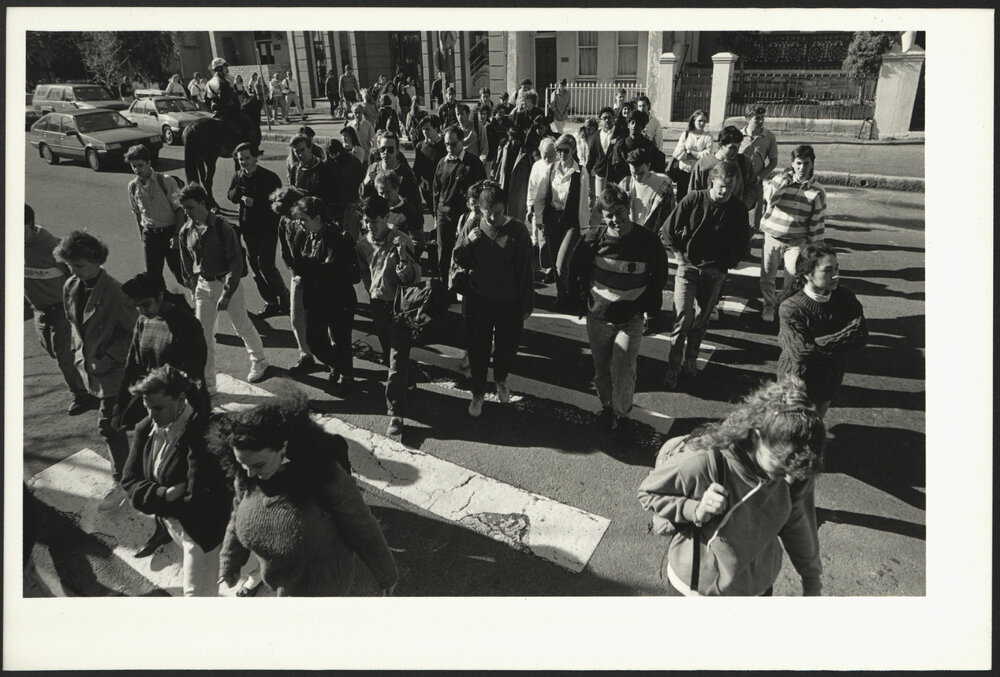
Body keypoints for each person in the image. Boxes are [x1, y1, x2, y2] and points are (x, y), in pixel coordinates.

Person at [637, 377, 826, 596]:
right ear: (757, 436)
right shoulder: (704, 459)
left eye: (797, 469)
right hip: (697, 589)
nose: (790, 476)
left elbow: (796, 523)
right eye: (779, 460)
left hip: (756, 589)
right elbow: (648, 493)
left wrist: (812, 578)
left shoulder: (793, 469)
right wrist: (695, 509)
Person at [214, 394, 399, 596]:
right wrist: (229, 561)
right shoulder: (247, 475)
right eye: (243, 465)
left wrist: (386, 574)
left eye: (258, 465)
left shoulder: (325, 476)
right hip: (279, 584)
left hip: (324, 588)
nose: (250, 474)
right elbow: (236, 513)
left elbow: (361, 524)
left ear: (282, 447)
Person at [566, 184, 668, 444]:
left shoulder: (648, 241)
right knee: (601, 369)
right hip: (598, 316)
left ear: (629, 209)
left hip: (630, 319)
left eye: (620, 213)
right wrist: (581, 302)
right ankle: (607, 408)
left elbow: (659, 277)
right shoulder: (593, 239)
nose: (616, 220)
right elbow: (575, 270)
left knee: (623, 369)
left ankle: (623, 417)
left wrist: (648, 308)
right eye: (609, 215)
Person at [121, 366, 233, 594]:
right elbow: (128, 480)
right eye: (147, 407)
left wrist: (148, 496)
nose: (151, 415)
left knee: (196, 596)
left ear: (181, 399)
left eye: (158, 408)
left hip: (200, 534)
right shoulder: (146, 428)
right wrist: (164, 494)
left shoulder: (203, 435)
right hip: (174, 523)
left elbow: (197, 503)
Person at [55, 231, 138, 511]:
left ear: (96, 261)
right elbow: (74, 324)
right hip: (90, 370)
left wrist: (107, 356)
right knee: (124, 425)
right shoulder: (71, 285)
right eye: (70, 265)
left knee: (109, 427)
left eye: (78, 265)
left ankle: (124, 482)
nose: (73, 271)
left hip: (114, 372)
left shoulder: (116, 292)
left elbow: (133, 334)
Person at [660, 162, 751, 390]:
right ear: (712, 180)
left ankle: (691, 359)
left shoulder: (738, 209)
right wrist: (679, 256)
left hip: (715, 272)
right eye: (722, 186)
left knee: (701, 319)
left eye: (730, 187)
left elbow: (742, 242)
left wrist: (726, 266)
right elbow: (668, 229)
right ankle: (673, 366)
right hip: (688, 268)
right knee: (682, 318)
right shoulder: (693, 199)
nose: (725, 192)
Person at [452, 182, 536, 418]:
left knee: (506, 348)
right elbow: (459, 257)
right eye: (489, 215)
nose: (494, 219)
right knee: (477, 349)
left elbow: (525, 271)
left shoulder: (518, 230)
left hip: (509, 303)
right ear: (480, 210)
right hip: (478, 299)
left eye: (499, 213)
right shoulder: (472, 224)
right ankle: (477, 392)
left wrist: (526, 304)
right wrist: (469, 241)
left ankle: (500, 377)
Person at [176, 183, 270, 391]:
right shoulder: (186, 230)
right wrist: (193, 286)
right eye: (184, 208)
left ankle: (260, 360)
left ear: (202, 203)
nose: (186, 212)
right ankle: (209, 382)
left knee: (241, 325)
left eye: (190, 207)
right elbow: (186, 264)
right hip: (203, 286)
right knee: (204, 335)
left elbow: (235, 263)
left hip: (226, 285)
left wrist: (227, 294)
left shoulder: (222, 228)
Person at [356, 196, 421, 437]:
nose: (370, 226)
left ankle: (396, 414)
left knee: (395, 360)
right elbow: (364, 270)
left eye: (374, 221)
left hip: (399, 307)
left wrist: (404, 262)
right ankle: (410, 382)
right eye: (366, 221)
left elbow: (413, 278)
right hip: (378, 306)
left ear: (386, 217)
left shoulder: (401, 241)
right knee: (391, 355)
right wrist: (371, 289)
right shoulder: (363, 244)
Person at [778, 244, 868, 418]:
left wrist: (817, 342)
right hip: (798, 381)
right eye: (827, 270)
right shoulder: (791, 307)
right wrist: (840, 344)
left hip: (831, 377)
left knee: (816, 424)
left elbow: (860, 335)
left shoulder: (844, 296)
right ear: (807, 274)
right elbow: (801, 353)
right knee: (793, 428)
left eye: (836, 268)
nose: (835, 275)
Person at [25, 205, 96, 416]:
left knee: (64, 355)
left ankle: (83, 395)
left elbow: (85, 276)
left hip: (62, 310)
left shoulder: (54, 248)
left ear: (29, 225)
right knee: (54, 352)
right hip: (39, 311)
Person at [287, 197, 360, 393]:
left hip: (338, 298)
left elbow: (331, 269)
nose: (300, 223)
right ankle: (337, 365)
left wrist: (307, 272)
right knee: (314, 339)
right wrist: (299, 273)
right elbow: (296, 260)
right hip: (316, 297)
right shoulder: (303, 235)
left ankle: (346, 376)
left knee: (340, 339)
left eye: (304, 219)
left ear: (318, 218)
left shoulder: (336, 237)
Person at [759, 145, 827, 323]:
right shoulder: (780, 180)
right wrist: (783, 180)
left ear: (812, 164)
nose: (802, 168)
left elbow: (817, 221)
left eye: (806, 163)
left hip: (797, 242)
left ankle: (784, 310)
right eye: (798, 163)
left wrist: (815, 248)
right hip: (773, 236)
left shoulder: (818, 191)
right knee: (767, 276)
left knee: (792, 280)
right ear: (792, 163)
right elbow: (770, 199)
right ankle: (768, 306)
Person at [227, 143, 289, 317]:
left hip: (267, 228)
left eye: (247, 158)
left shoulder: (269, 177)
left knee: (266, 264)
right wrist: (238, 192)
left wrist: (257, 203)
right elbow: (230, 196)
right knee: (254, 265)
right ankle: (270, 301)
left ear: (255, 157)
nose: (244, 162)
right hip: (249, 228)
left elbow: (279, 204)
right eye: (241, 159)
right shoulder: (238, 177)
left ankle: (284, 296)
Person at [532, 133, 590, 308]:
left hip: (570, 221)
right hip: (552, 220)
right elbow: (541, 196)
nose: (562, 154)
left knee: (562, 262)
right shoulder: (551, 169)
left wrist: (584, 227)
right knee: (554, 261)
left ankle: (568, 296)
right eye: (559, 150)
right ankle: (563, 296)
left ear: (573, 150)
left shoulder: (580, 171)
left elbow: (584, 201)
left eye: (566, 150)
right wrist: (539, 219)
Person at [126, 144, 186, 291]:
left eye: (140, 165)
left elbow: (179, 210)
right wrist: (143, 236)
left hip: (170, 233)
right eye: (133, 166)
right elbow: (137, 213)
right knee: (154, 278)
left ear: (149, 163)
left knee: (181, 275)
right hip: (150, 235)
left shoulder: (166, 181)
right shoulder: (132, 186)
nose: (136, 170)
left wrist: (177, 235)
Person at [433, 127, 487, 287]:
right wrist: (436, 214)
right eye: (447, 144)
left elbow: (481, 190)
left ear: (462, 142)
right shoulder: (441, 163)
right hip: (444, 214)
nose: (450, 148)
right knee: (443, 253)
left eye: (453, 144)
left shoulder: (473, 163)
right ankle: (444, 287)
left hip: (465, 217)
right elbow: (436, 190)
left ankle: (464, 285)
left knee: (465, 251)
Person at [272, 187, 317, 376]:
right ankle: (305, 355)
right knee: (296, 317)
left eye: (290, 214)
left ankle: (333, 349)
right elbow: (284, 250)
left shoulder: (309, 221)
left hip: (316, 274)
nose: (288, 219)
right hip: (298, 274)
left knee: (323, 316)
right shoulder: (284, 221)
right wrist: (293, 271)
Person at [688, 125, 753, 207]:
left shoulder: (744, 162)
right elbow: (693, 193)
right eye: (732, 147)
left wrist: (743, 207)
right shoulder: (703, 165)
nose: (736, 151)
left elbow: (752, 188)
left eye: (738, 147)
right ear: (720, 145)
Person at [740, 105, 780, 232]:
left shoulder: (769, 137)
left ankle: (747, 247)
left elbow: (773, 161)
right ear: (748, 119)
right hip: (739, 181)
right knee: (737, 214)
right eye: (757, 118)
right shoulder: (739, 135)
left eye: (763, 117)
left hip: (756, 182)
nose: (761, 121)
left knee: (754, 221)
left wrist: (760, 176)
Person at [359, 131, 422, 210]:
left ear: (397, 150)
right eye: (382, 149)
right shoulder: (373, 168)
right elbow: (363, 198)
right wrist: (365, 183)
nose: (386, 152)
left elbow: (416, 206)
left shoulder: (405, 174)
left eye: (390, 149)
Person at [525, 137, 558, 279]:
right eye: (545, 156)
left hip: (555, 207)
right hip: (540, 207)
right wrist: (529, 207)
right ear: (540, 151)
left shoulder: (561, 165)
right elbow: (531, 187)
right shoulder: (537, 166)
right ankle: (545, 267)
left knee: (553, 238)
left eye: (552, 156)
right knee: (540, 237)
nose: (548, 159)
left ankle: (552, 266)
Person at [607, 109, 666, 184]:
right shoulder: (621, 145)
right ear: (628, 125)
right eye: (632, 123)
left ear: (643, 127)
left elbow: (657, 167)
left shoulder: (648, 146)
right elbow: (615, 170)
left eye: (638, 123)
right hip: (625, 183)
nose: (634, 126)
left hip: (645, 183)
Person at [375, 170, 425, 256]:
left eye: (388, 192)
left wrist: (402, 253)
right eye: (381, 193)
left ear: (397, 189)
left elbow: (418, 243)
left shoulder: (409, 212)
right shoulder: (376, 209)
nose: (384, 197)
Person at [669, 109, 713, 201]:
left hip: (698, 174)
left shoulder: (708, 136)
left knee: (696, 199)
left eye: (704, 121)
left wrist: (690, 152)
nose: (702, 123)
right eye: (700, 121)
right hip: (684, 173)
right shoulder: (686, 134)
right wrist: (698, 155)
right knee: (682, 199)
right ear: (694, 120)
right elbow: (678, 153)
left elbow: (707, 155)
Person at [324, 138, 366, 223]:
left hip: (351, 199)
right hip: (334, 202)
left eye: (336, 153)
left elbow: (360, 179)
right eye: (331, 154)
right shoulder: (327, 164)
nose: (334, 156)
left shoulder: (352, 161)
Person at [287, 133, 335, 206]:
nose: (300, 155)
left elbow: (329, 196)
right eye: (297, 151)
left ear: (310, 148)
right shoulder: (295, 168)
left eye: (303, 150)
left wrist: (305, 195)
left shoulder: (324, 169)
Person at [413, 115, 446, 211]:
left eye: (427, 129)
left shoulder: (445, 145)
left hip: (442, 190)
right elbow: (417, 168)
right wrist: (421, 184)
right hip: (427, 190)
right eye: (422, 129)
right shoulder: (420, 146)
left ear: (436, 128)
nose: (424, 132)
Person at [586, 107, 617, 204]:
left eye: (609, 117)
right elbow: (591, 157)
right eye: (604, 118)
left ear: (614, 118)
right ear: (600, 120)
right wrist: (586, 172)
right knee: (599, 201)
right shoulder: (596, 136)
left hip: (615, 175)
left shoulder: (620, 134)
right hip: (600, 174)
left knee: (613, 201)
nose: (607, 120)